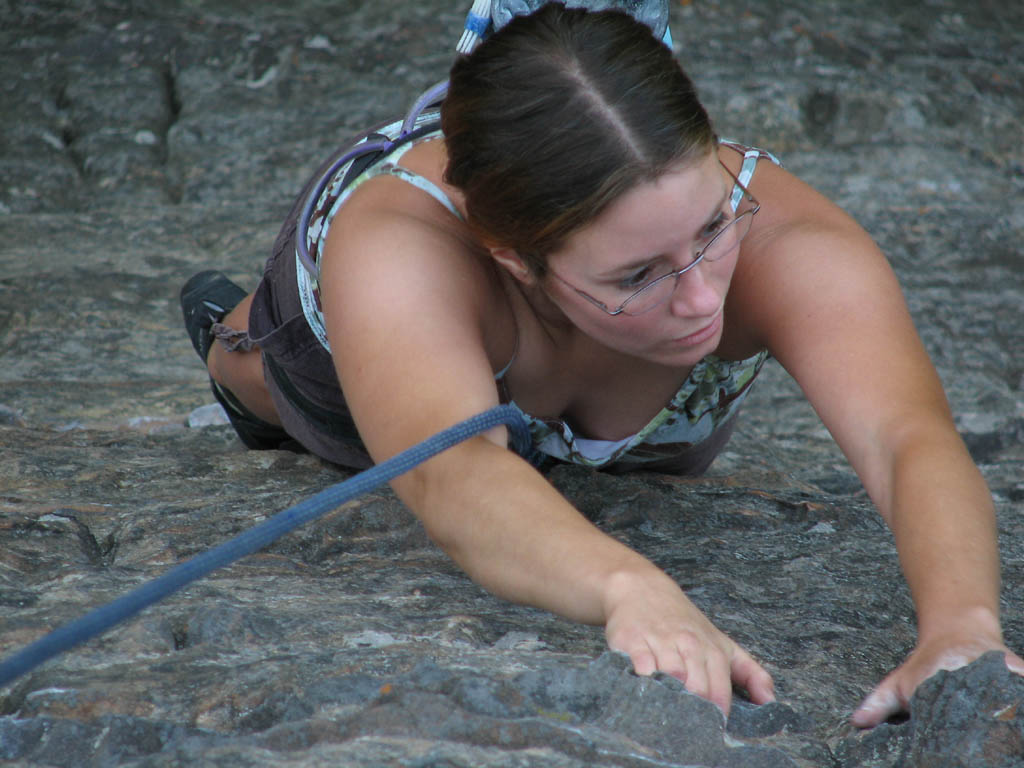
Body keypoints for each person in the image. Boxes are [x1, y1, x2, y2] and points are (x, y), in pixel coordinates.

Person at [179, 2, 1023, 727]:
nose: (701, 301)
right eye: (639, 275)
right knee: (292, 390)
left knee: (648, 440)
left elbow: (905, 434)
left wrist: (962, 629)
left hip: (626, 419)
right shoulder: (402, 250)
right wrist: (629, 586)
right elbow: (453, 472)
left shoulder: (784, 239)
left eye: (712, 230)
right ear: (515, 260)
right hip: (347, 337)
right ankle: (233, 339)